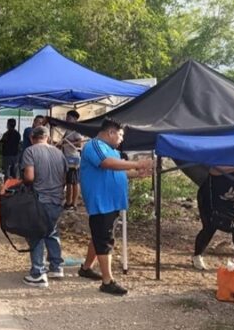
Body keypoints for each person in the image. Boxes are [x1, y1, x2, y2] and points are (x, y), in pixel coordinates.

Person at [78, 118, 154, 296]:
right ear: (110, 132)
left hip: (112, 200)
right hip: (101, 200)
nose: (121, 139)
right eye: (120, 135)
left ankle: (86, 268)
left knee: (99, 235)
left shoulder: (113, 151)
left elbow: (119, 171)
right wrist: (137, 163)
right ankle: (107, 281)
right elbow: (107, 163)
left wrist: (137, 173)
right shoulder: (94, 146)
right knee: (105, 239)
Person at [21, 126, 68, 288]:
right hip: (57, 200)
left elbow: (29, 176)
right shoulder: (59, 153)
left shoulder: (30, 151)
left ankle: (38, 272)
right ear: (48, 137)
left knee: (36, 234)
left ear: (32, 138)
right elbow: (65, 178)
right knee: (52, 231)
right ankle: (56, 267)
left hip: (39, 200)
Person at [192, 167, 234, 271]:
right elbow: (212, 171)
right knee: (210, 227)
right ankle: (197, 257)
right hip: (210, 199)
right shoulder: (227, 169)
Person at [57, 110, 85, 211]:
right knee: (69, 181)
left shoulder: (76, 130)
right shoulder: (69, 129)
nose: (66, 119)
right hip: (67, 158)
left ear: (75, 119)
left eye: (69, 118)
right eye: (66, 117)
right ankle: (69, 202)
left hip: (73, 159)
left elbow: (80, 143)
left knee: (73, 182)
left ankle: (72, 203)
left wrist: (68, 142)